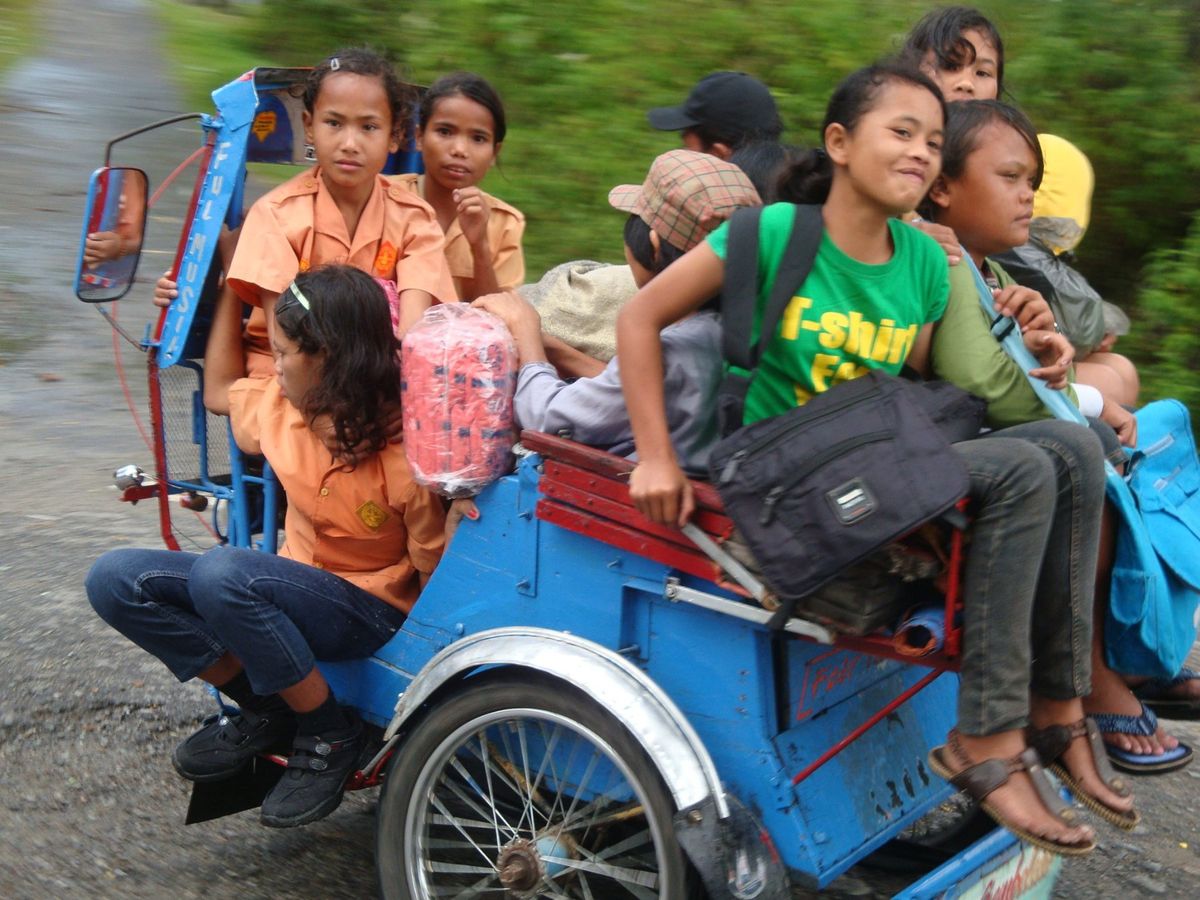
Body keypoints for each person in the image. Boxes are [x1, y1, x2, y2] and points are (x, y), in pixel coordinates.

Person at [618, 61, 1135, 853]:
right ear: (840, 142)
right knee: (1029, 465)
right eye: (901, 131)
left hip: (867, 472)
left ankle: (1058, 710)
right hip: (782, 483)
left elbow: (932, 385)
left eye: (933, 140)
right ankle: (987, 739)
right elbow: (639, 319)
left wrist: (1027, 333)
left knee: (1074, 445)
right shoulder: (776, 233)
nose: (922, 152)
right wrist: (654, 456)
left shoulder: (926, 261)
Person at [85, 265, 447, 828]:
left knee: (222, 573)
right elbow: (217, 390)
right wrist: (227, 285)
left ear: (324, 358)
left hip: (370, 614)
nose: (273, 366)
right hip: (286, 590)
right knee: (115, 579)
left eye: (282, 353)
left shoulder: (410, 456)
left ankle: (330, 734)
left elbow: (434, 574)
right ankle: (271, 709)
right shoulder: (279, 406)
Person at [922, 99, 1193, 773]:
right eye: (1012, 178)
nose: (1028, 198)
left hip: (994, 438)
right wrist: (1093, 400)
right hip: (962, 452)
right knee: (1091, 450)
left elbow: (1035, 362)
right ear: (943, 187)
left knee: (1141, 430)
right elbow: (986, 383)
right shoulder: (947, 258)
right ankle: (1080, 684)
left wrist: (1055, 349)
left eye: (1032, 182)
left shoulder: (997, 272)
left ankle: (1125, 653)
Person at [155, 48, 455, 376]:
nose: (350, 143)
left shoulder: (415, 218)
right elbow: (286, 344)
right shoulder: (276, 215)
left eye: (369, 127)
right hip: (286, 377)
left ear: (394, 135)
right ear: (309, 127)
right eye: (334, 123)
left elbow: (410, 337)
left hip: (383, 374)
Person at [901, 7, 1140, 404]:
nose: (965, 84)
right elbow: (978, 379)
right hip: (928, 393)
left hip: (968, 376)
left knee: (1115, 379)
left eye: (983, 72)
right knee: (1109, 392)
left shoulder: (987, 255)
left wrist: (1043, 333)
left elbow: (1035, 330)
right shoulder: (931, 233)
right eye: (949, 66)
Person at [474, 150, 760, 473]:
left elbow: (546, 416)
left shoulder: (670, 347)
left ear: (653, 244)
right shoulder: (749, 328)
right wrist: (552, 348)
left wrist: (525, 332)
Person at [391, 72, 525, 301]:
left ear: (494, 153)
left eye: (478, 138)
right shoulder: (385, 198)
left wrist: (480, 245)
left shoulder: (504, 224)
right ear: (420, 136)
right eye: (445, 132)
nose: (460, 149)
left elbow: (500, 317)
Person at [647, 71, 784, 160]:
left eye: (686, 148)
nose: (679, 156)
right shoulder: (795, 193)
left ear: (718, 154)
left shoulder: (707, 203)